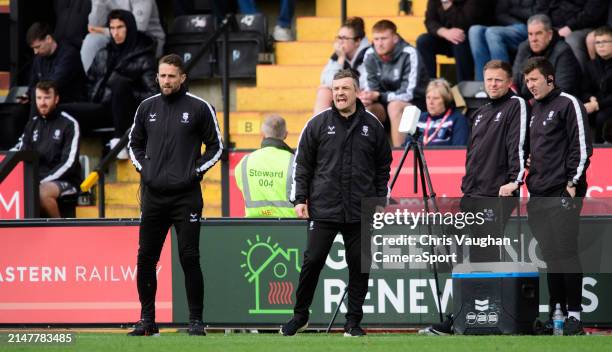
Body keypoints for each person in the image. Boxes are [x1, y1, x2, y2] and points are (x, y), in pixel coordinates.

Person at [419, 60, 528, 335]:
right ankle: (465, 315)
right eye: (489, 80)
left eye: (498, 80)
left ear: (508, 82)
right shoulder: (480, 113)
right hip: (473, 194)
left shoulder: (516, 105)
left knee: (484, 255)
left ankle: (484, 317)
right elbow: (473, 155)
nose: (492, 85)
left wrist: (514, 182)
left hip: (496, 193)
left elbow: (518, 144)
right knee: (458, 252)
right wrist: (466, 187)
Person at [280, 69, 392, 337]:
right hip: (324, 208)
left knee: (359, 265)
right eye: (336, 89)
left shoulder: (373, 125)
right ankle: (300, 316)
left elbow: (383, 167)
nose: (339, 93)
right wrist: (299, 199)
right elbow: (302, 165)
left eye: (345, 88)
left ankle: (352, 322)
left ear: (356, 91)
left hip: (360, 210)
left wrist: (378, 201)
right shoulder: (317, 124)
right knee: (313, 261)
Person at [127, 54, 223, 336]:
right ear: (156, 77)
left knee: (189, 257)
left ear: (183, 78)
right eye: (162, 75)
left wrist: (193, 173)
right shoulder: (146, 107)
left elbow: (215, 148)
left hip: (187, 197)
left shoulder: (200, 108)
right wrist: (147, 170)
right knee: (145, 258)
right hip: (153, 196)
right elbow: (134, 145)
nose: (166, 80)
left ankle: (196, 321)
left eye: (171, 76)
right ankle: (147, 321)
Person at [523, 57, 592, 336]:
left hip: (562, 192)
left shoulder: (568, 103)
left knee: (566, 252)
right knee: (551, 256)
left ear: (550, 79)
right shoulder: (534, 109)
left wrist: (572, 183)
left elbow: (583, 146)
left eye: (535, 80)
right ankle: (557, 315)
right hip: (538, 193)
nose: (531, 86)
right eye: (527, 81)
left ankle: (575, 316)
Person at [63, 9, 158, 158]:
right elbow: (88, 85)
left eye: (120, 27)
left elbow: (153, 96)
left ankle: (120, 142)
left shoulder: (144, 57)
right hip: (102, 108)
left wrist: (125, 90)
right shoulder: (103, 53)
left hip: (128, 111)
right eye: (112, 28)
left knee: (119, 83)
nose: (115, 33)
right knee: (60, 108)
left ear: (130, 28)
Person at [11, 81, 81, 218]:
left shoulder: (70, 124)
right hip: (35, 180)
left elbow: (69, 163)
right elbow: (19, 151)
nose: (42, 102)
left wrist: (41, 180)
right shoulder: (32, 124)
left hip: (66, 180)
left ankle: (60, 233)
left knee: (39, 193)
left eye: (47, 97)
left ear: (56, 99)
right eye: (39, 98)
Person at [362, 19, 429, 147]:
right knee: (365, 108)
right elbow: (371, 90)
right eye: (376, 39)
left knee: (395, 106)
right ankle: (367, 157)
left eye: (383, 39)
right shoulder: (369, 54)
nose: (379, 44)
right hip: (384, 104)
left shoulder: (409, 53)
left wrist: (380, 96)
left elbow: (408, 93)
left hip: (415, 104)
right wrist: (367, 97)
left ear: (395, 38)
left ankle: (399, 157)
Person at [235, 115, 296, 217]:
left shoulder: (245, 162)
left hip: (253, 226)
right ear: (285, 135)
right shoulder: (294, 161)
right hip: (288, 226)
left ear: (262, 134)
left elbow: (242, 186)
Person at [417, 0, 492, 82]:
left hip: (469, 40)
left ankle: (464, 86)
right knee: (423, 41)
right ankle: (429, 85)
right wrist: (444, 32)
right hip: (445, 37)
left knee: (459, 40)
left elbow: (465, 23)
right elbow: (429, 21)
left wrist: (448, 5)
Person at [81, 0, 165, 72]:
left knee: (93, 41)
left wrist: (103, 31)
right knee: (91, 40)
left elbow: (137, 28)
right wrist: (98, 2)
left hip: (147, 41)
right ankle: (91, 85)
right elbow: (94, 26)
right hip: (116, 38)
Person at [512, 14, 581, 100]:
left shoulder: (563, 51)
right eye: (530, 34)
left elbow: (563, 89)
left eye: (538, 33)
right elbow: (514, 81)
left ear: (549, 35)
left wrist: (530, 104)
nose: (533, 39)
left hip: (557, 105)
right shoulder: (524, 47)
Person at [23, 22, 86, 111]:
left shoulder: (69, 54)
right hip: (48, 100)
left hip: (69, 102)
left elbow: (54, 83)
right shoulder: (38, 58)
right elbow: (33, 82)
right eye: (33, 48)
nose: (35, 52)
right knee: (18, 111)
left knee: (37, 97)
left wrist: (34, 94)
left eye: (38, 47)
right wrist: (27, 95)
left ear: (48, 39)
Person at [468, 0, 536, 81]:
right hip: (505, 27)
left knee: (492, 32)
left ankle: (503, 80)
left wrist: (513, 11)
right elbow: (500, 14)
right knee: (474, 31)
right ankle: (481, 85)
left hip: (528, 26)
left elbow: (536, 12)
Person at [314, 17, 370, 114]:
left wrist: (346, 88)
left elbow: (368, 83)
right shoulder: (339, 55)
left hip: (367, 97)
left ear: (357, 41)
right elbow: (327, 82)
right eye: (339, 38)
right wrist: (341, 59)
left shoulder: (369, 54)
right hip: (347, 94)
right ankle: (320, 128)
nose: (340, 42)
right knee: (324, 91)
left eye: (344, 38)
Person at [535, 0, 608, 72]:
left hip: (584, 26)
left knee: (572, 41)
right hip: (554, 25)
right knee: (534, 39)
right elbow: (543, 7)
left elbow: (591, 14)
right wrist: (544, 25)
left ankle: (581, 77)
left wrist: (570, 27)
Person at [411, 78, 469, 146]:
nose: (430, 102)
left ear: (445, 100)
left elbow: (459, 151)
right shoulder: (418, 118)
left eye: (435, 98)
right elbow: (406, 147)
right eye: (428, 97)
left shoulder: (458, 120)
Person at [582, 25, 612, 143]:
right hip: (595, 105)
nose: (601, 46)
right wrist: (590, 98)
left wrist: (598, 104)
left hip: (606, 106)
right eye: (598, 42)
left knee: (602, 117)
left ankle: (600, 149)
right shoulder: (590, 65)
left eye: (604, 41)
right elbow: (583, 89)